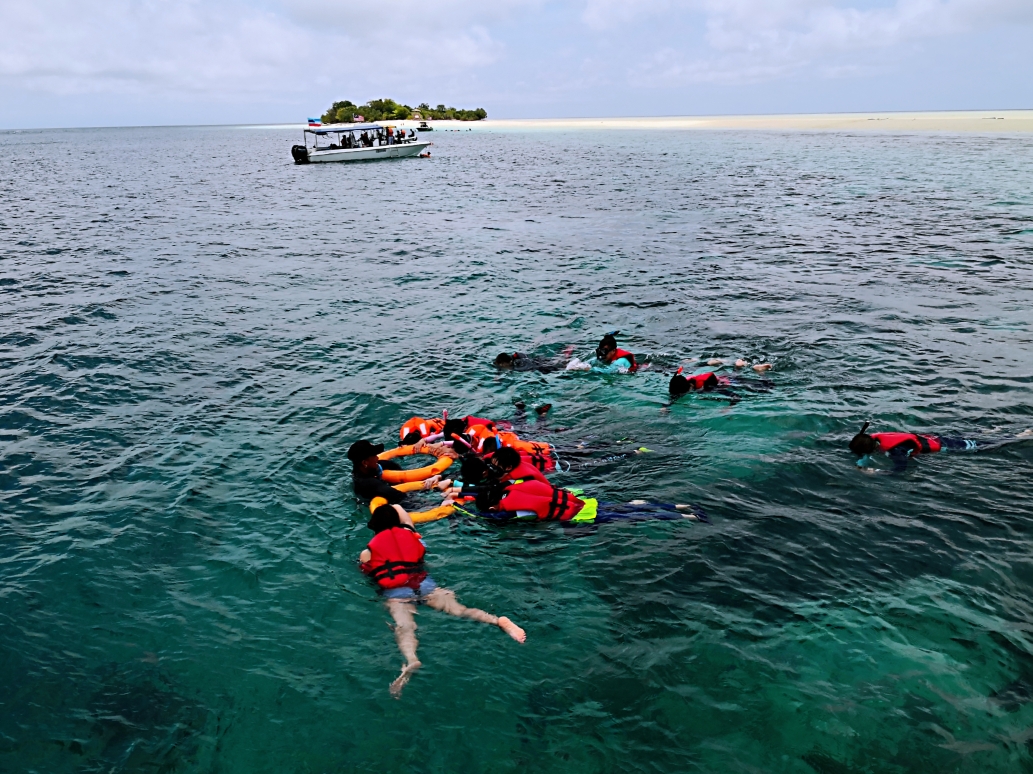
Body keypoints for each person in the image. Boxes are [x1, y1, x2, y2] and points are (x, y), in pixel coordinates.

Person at [359, 503, 526, 697]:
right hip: (424, 586)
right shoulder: (413, 537)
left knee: (404, 626)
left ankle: (411, 659)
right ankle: (497, 621)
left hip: (397, 595)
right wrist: (394, 506)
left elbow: (370, 574)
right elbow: (405, 520)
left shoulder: (367, 553)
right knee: (460, 610)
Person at [848, 422, 1033, 472]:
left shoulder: (895, 451)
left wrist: (875, 472)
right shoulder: (874, 437)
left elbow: (899, 469)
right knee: (975, 438)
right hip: (937, 438)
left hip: (946, 446)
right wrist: (862, 461)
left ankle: (1020, 436)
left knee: (991, 447)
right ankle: (991, 431)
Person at [348, 439, 452, 504]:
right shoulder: (367, 483)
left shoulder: (369, 468)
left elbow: (394, 468)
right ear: (365, 462)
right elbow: (400, 497)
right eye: (374, 455)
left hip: (394, 492)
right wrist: (436, 501)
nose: (377, 458)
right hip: (395, 503)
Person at [668, 367, 773, 403]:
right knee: (735, 374)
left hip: (730, 382)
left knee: (769, 387)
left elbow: (736, 396)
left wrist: (729, 408)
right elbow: (675, 395)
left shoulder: (708, 387)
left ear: (688, 388)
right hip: (723, 376)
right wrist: (666, 406)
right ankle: (738, 366)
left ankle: (760, 372)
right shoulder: (684, 383)